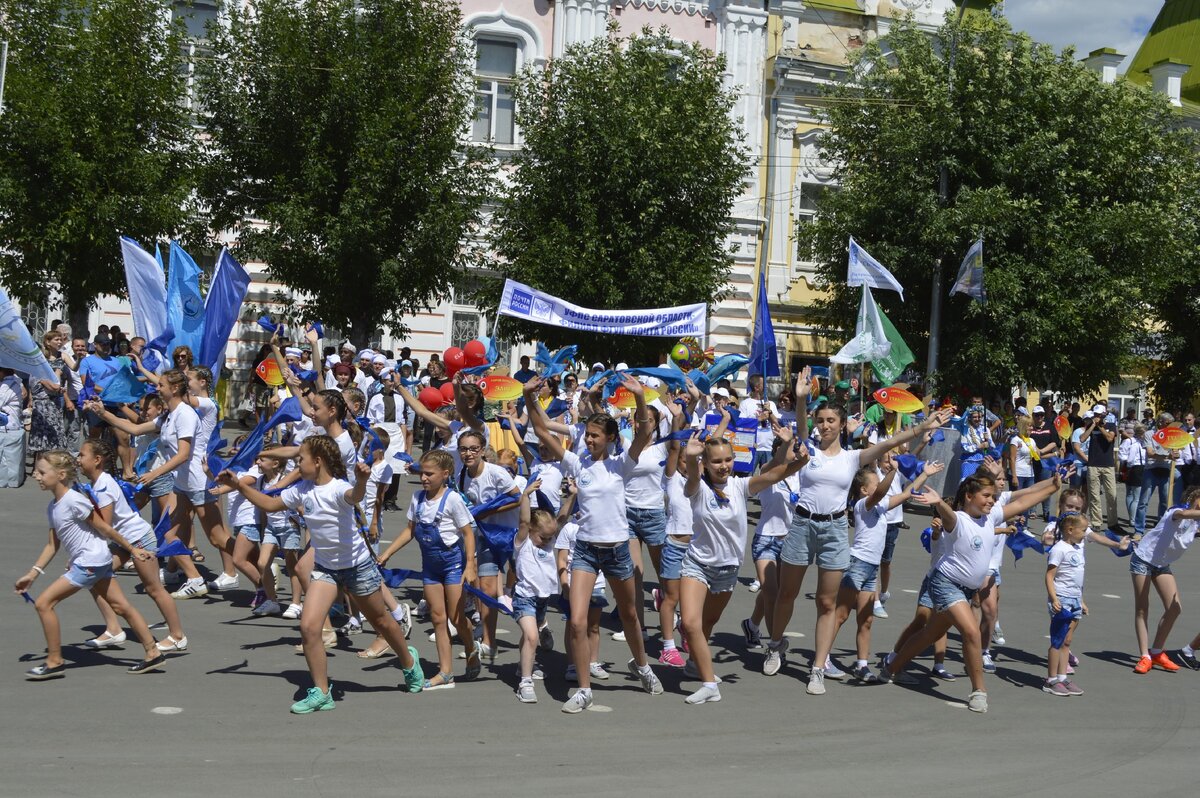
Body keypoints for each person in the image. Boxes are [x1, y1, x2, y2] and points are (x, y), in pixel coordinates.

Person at [218, 435, 424, 712]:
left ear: (317, 462)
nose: (296, 464)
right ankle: (322, 692)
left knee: (382, 623)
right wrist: (236, 486)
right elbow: (268, 504)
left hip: (357, 567)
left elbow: (355, 496)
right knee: (308, 627)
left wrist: (362, 481)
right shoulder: (301, 490)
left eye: (300, 459)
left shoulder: (339, 489)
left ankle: (409, 662)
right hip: (326, 569)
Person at [764, 396, 950, 697]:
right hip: (801, 525)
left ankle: (818, 667)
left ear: (840, 425)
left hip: (834, 529)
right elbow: (800, 427)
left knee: (826, 603)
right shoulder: (808, 450)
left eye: (830, 421)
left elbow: (889, 443)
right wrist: (800, 399)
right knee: (787, 593)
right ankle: (775, 646)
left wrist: (922, 427)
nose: (824, 426)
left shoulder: (852, 458)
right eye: (820, 420)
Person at [523, 374, 664, 714]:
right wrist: (530, 398)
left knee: (630, 614)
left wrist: (640, 397)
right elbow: (542, 431)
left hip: (616, 548)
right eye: (587, 435)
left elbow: (645, 431)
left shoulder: (621, 464)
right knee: (577, 620)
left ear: (611, 439)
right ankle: (584, 689)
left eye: (596, 436)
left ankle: (642, 665)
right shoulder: (577, 462)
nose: (589, 440)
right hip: (585, 548)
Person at [877, 470, 1063, 713]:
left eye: (993, 496)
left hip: (966, 589)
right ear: (968, 496)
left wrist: (1052, 488)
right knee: (971, 632)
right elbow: (948, 516)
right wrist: (939, 503)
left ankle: (891, 668)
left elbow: (1021, 503)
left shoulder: (991, 516)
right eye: (985, 495)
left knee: (929, 634)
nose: (991, 500)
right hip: (945, 584)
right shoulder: (958, 520)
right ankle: (979, 691)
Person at [679, 423, 808, 704]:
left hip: (727, 569)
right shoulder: (698, 488)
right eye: (716, 461)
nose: (723, 465)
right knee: (690, 623)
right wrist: (690, 458)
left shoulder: (740, 486)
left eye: (727, 459)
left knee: (707, 623)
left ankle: (694, 663)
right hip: (697, 564)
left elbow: (776, 474)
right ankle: (709, 683)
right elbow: (691, 479)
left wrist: (798, 457)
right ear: (706, 463)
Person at [15, 450, 165, 680]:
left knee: (44, 603)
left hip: (91, 562)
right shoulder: (53, 507)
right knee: (121, 606)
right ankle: (152, 652)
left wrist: (133, 549)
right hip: (97, 560)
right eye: (37, 471)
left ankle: (54, 661)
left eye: (42, 472)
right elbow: (51, 546)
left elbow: (104, 528)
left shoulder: (75, 500)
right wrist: (32, 574)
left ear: (61, 474)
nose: (36, 476)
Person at [829, 456, 941, 685]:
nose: (880, 483)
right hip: (857, 565)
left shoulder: (880, 506)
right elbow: (880, 492)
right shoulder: (863, 505)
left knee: (866, 619)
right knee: (840, 616)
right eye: (875, 481)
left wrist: (925, 474)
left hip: (871, 569)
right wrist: (891, 472)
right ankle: (823, 659)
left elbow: (908, 492)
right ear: (863, 490)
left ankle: (862, 665)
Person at [377, 449, 479, 690]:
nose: (424, 478)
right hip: (431, 567)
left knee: (456, 618)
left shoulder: (452, 499)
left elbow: (467, 533)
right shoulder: (417, 498)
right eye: (422, 473)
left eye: (429, 474)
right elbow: (410, 530)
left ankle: (470, 645)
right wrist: (387, 553)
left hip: (453, 565)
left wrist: (471, 565)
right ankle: (446, 672)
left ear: (445, 474)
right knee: (437, 618)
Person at [76, 440, 187, 651]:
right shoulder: (98, 483)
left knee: (154, 589)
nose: (78, 460)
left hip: (139, 540)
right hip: (125, 541)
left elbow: (105, 526)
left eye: (82, 455)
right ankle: (114, 630)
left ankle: (177, 636)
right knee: (94, 577)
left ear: (97, 460)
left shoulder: (103, 487)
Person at [1128, 486, 1200, 675]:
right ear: (1194, 498)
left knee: (1174, 608)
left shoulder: (1195, 524)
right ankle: (1145, 656)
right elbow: (1183, 514)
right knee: (1142, 608)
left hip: (1161, 564)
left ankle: (1157, 651)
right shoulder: (1175, 511)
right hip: (1143, 559)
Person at [512, 479, 559, 703]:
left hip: (542, 600)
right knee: (532, 636)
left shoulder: (548, 543)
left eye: (550, 538)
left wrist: (572, 496)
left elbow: (562, 519)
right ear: (531, 530)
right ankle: (525, 682)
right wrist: (526, 496)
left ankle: (523, 665)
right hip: (524, 598)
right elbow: (523, 521)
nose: (547, 541)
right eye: (543, 537)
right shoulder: (524, 542)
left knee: (528, 638)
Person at [1044, 512, 1089, 696]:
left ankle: (1062, 677)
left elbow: (1076, 579)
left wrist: (1081, 600)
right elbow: (1049, 576)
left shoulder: (1078, 548)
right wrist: (1054, 599)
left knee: (1067, 641)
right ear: (1070, 530)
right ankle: (1051, 679)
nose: (1086, 533)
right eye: (1083, 530)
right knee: (1058, 640)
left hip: (1075, 599)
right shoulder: (1059, 549)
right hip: (1061, 599)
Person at [28, 330, 69, 461]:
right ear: (47, 342)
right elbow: (54, 386)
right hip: (43, 404)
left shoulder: (59, 358)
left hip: (52, 403)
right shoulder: (40, 365)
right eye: (56, 339)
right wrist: (58, 372)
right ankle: (39, 468)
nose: (59, 342)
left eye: (60, 340)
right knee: (42, 437)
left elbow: (56, 386)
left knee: (49, 436)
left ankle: (46, 466)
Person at [1082, 404, 1120, 533]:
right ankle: (1096, 522)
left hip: (1107, 464)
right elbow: (1082, 438)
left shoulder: (1110, 425)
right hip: (1093, 463)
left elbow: (1110, 438)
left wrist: (1100, 427)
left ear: (1104, 415)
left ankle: (1113, 522)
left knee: (1111, 495)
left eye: (1099, 415)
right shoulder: (1090, 426)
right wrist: (1093, 425)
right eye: (1095, 415)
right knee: (1094, 495)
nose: (1097, 417)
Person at [1120, 423, 1151, 536]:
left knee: (1134, 494)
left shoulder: (1143, 442)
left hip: (1139, 467)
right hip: (1135, 467)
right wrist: (1128, 463)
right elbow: (1124, 455)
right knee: (1134, 495)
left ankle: (1132, 518)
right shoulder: (1132, 442)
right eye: (1143, 433)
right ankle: (1133, 519)